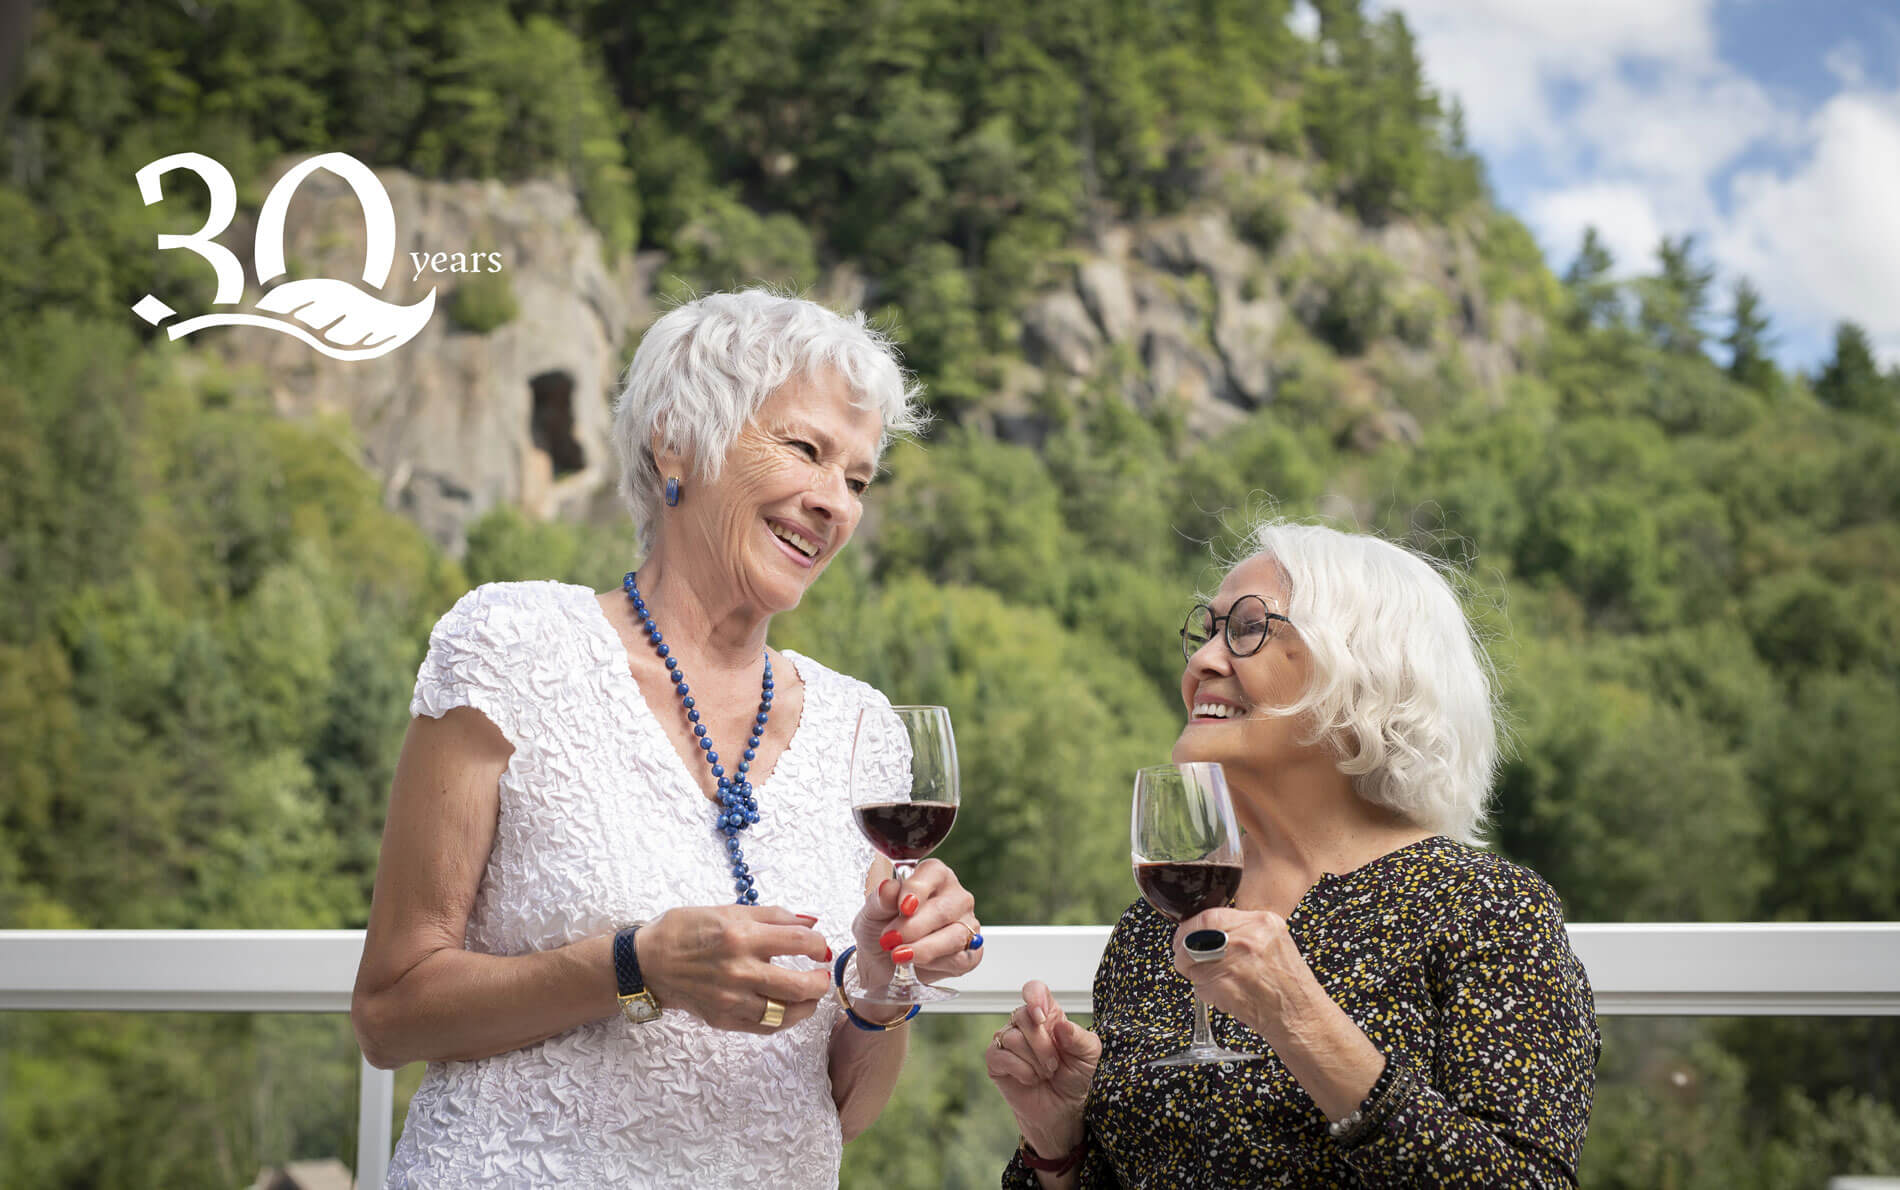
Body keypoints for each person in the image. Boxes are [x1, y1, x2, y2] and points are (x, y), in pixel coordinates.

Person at [351, 289, 985, 1189]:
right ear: (675, 441)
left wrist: (883, 982)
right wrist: (635, 964)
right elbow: (389, 1014)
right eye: (805, 449)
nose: (833, 503)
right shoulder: (511, 647)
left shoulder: (864, 729)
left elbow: (840, 1109)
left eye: (857, 479)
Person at [987, 519, 1598, 1188]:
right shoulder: (1151, 931)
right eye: (1207, 630)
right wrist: (1057, 1145)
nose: (1202, 662)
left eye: (1248, 629)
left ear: (1365, 673)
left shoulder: (1486, 910)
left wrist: (1300, 1020)